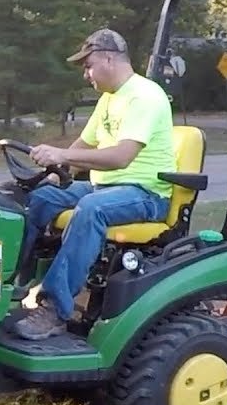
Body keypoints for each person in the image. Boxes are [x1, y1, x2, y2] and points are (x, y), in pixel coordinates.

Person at [15, 28, 177, 340]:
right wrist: (54, 171)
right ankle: (8, 285)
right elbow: (85, 146)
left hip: (146, 193)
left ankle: (54, 309)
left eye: (88, 66)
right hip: (104, 188)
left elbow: (121, 158)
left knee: (90, 210)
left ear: (108, 58)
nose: (86, 74)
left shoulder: (145, 96)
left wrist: (60, 152)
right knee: (39, 198)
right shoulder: (108, 100)